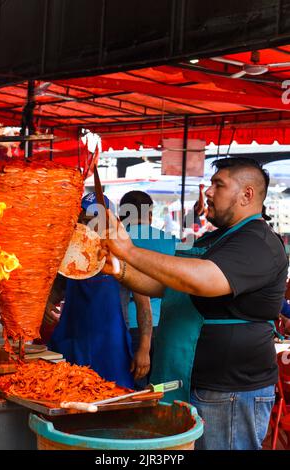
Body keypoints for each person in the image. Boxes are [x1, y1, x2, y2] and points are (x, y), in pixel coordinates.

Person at [100, 157, 288, 450]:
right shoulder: (216, 239)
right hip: (190, 379)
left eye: (218, 185)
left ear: (247, 194)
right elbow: (170, 286)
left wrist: (130, 252)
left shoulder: (257, 242)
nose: (208, 192)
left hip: (229, 390)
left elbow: (201, 280)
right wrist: (120, 270)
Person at [44, 192, 134, 389]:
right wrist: (47, 304)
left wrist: (144, 348)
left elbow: (143, 304)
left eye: (93, 219)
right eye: (82, 219)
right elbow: (58, 289)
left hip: (111, 347)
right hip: (74, 341)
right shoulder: (71, 254)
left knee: (115, 397)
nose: (86, 225)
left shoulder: (123, 253)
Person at [119, 190, 177, 388]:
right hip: (166, 325)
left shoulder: (119, 242)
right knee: (159, 388)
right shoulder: (171, 241)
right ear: (150, 214)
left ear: (122, 214)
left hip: (132, 325)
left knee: (132, 388)